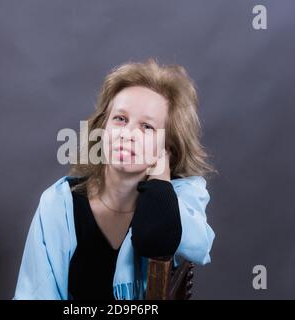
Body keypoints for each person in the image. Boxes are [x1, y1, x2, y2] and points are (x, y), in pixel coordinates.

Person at [14, 58, 216, 300]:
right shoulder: (59, 204)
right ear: (102, 129)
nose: (128, 134)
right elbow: (35, 295)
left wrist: (161, 179)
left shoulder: (181, 198)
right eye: (120, 119)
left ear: (168, 147)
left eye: (147, 127)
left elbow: (160, 239)